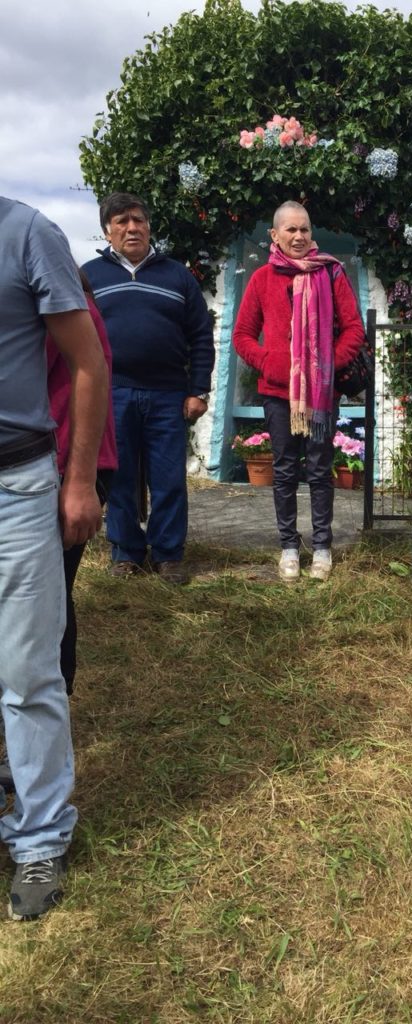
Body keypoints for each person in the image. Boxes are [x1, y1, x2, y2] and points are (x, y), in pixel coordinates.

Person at [0, 195, 108, 919]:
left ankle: (38, 837)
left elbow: (89, 362)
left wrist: (77, 480)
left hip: (18, 484)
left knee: (27, 671)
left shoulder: (27, 233)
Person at [82, 192, 215, 584]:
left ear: (149, 226)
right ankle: (126, 552)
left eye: (137, 219)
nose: (131, 227)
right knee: (117, 476)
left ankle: (168, 555)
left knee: (169, 477)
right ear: (108, 231)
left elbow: (201, 337)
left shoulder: (178, 276)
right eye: (121, 221)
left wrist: (198, 390)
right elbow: (77, 337)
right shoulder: (90, 276)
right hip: (112, 395)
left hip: (168, 395)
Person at [233, 201, 364, 582]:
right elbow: (242, 336)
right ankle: (289, 546)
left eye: (304, 229)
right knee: (286, 469)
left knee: (321, 471)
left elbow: (354, 329)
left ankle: (322, 547)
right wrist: (273, 364)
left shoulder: (332, 273)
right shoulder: (261, 279)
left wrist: (326, 365)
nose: (299, 236)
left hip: (322, 393)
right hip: (278, 393)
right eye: (290, 230)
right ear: (275, 236)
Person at [47, 271, 118, 693]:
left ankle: (54, 693)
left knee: (49, 592)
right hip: (59, 460)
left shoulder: (74, 312)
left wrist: (79, 481)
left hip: (68, 463)